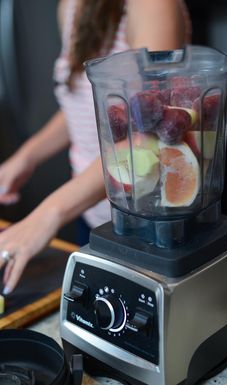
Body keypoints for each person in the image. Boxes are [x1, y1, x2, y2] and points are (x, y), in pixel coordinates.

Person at [0, 0, 191, 294]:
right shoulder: (72, 6)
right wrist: (28, 155)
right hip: (87, 209)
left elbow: (149, 133)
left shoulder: (152, 5)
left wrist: (48, 213)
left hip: (144, 223)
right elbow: (86, 105)